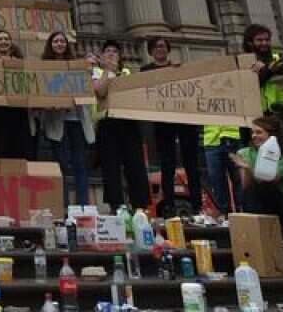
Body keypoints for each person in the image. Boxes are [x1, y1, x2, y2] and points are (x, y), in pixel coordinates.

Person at [203, 24, 283, 218]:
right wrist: (268, 70)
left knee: (282, 164)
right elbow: (251, 84)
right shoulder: (243, 63)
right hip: (254, 120)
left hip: (278, 119)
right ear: (249, 42)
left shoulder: (278, 58)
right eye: (260, 40)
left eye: (267, 39)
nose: (264, 43)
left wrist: (267, 69)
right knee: (252, 167)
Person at [142, 38, 202, 217]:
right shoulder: (146, 71)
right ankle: (169, 206)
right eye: (156, 46)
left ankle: (197, 205)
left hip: (184, 119)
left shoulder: (179, 67)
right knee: (167, 165)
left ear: (168, 49)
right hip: (162, 122)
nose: (160, 49)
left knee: (191, 163)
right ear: (151, 51)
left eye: (162, 46)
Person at [91, 40, 150, 210]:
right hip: (107, 123)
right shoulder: (97, 73)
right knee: (111, 167)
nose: (111, 53)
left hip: (128, 123)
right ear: (102, 56)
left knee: (135, 165)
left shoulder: (127, 72)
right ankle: (116, 206)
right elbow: (100, 92)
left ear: (120, 56)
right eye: (107, 51)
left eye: (114, 51)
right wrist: (108, 71)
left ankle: (140, 205)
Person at [39, 31, 95, 206]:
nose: (59, 44)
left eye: (62, 41)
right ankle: (62, 206)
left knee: (80, 164)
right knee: (61, 164)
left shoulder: (77, 66)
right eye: (56, 41)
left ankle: (83, 206)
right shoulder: (44, 68)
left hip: (76, 120)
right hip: (57, 122)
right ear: (51, 45)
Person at [233, 116, 283, 234]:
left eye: (259, 132)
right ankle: (255, 231)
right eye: (252, 132)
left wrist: (249, 168)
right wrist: (245, 169)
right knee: (249, 192)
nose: (254, 136)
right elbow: (246, 185)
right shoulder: (244, 153)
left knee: (265, 188)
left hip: (282, 205)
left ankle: (281, 230)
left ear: (273, 136)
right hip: (255, 203)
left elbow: (269, 179)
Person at [0, 29, 33, 159]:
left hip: (17, 113)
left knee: (18, 149)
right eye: (0, 39)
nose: (3, 41)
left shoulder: (21, 62)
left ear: (10, 43)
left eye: (6, 39)